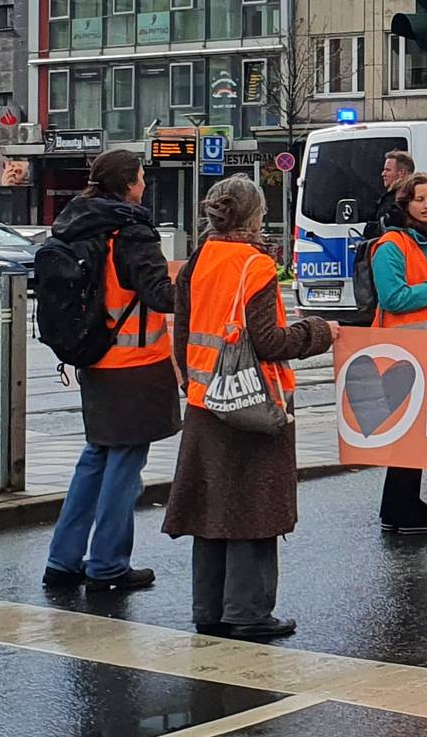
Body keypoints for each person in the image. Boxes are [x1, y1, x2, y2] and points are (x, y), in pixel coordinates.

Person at [164, 175, 335, 640]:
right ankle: (249, 612)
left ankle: (210, 609)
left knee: (211, 511)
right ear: (255, 216)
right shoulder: (254, 267)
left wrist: (194, 384)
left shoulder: (199, 260)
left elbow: (182, 335)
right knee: (254, 511)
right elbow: (270, 341)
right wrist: (319, 333)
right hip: (253, 405)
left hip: (204, 403)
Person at [43, 149, 182, 595]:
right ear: (126, 184)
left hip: (95, 357)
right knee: (124, 467)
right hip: (134, 366)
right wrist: (200, 276)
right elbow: (161, 296)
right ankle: (107, 565)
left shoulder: (76, 221)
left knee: (96, 459)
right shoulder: (131, 230)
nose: (144, 184)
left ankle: (63, 561)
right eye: (141, 177)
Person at [365, 172, 427, 536]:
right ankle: (405, 510)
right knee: (407, 436)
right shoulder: (392, 246)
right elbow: (394, 298)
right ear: (406, 204)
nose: (426, 205)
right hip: (400, 354)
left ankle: (401, 507)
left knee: (414, 436)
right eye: (419, 199)